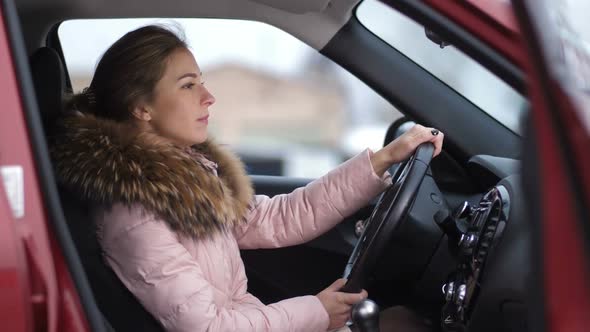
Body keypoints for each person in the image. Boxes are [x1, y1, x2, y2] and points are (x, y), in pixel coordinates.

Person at [50, 25, 443, 332]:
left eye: (201, 81)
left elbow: (278, 217)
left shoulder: (187, 181)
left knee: (407, 320)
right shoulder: (135, 214)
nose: (208, 96)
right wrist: (316, 313)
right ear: (141, 108)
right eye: (188, 85)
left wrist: (383, 160)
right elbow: (207, 326)